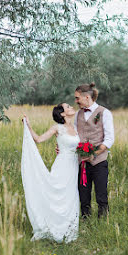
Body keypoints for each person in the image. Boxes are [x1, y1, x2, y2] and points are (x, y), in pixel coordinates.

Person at [21, 103, 80, 243]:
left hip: (74, 167)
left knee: (70, 196)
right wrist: (28, 125)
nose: (71, 107)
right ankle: (51, 226)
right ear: (62, 113)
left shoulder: (75, 128)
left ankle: (69, 229)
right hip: (62, 165)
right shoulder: (57, 128)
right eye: (68, 107)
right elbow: (39, 139)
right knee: (56, 194)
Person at [74, 82, 114, 219]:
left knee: (101, 195)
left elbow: (109, 140)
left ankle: (103, 223)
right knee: (83, 195)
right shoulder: (77, 115)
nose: (76, 101)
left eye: (77, 98)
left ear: (86, 97)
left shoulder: (104, 113)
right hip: (81, 163)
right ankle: (86, 221)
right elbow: (73, 136)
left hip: (99, 162)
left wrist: (93, 154)